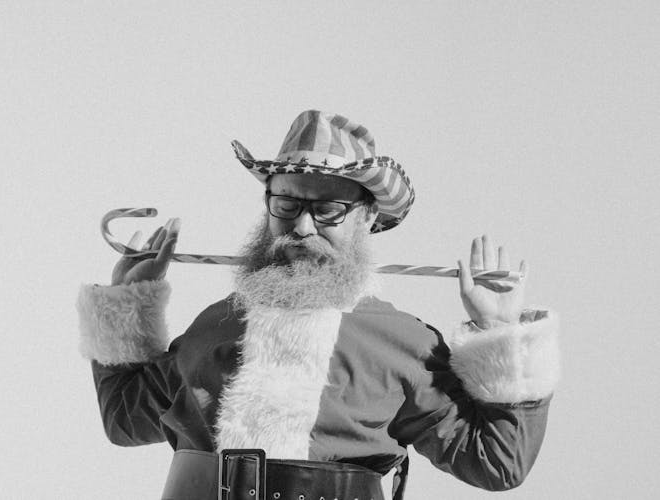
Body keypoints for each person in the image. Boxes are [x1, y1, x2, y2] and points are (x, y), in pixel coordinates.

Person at [76, 110, 559, 500]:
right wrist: (129, 306)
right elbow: (124, 419)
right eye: (287, 204)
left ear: (368, 218)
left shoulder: (404, 343)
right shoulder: (215, 326)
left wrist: (500, 335)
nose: (302, 228)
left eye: (328, 210)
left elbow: (498, 465)